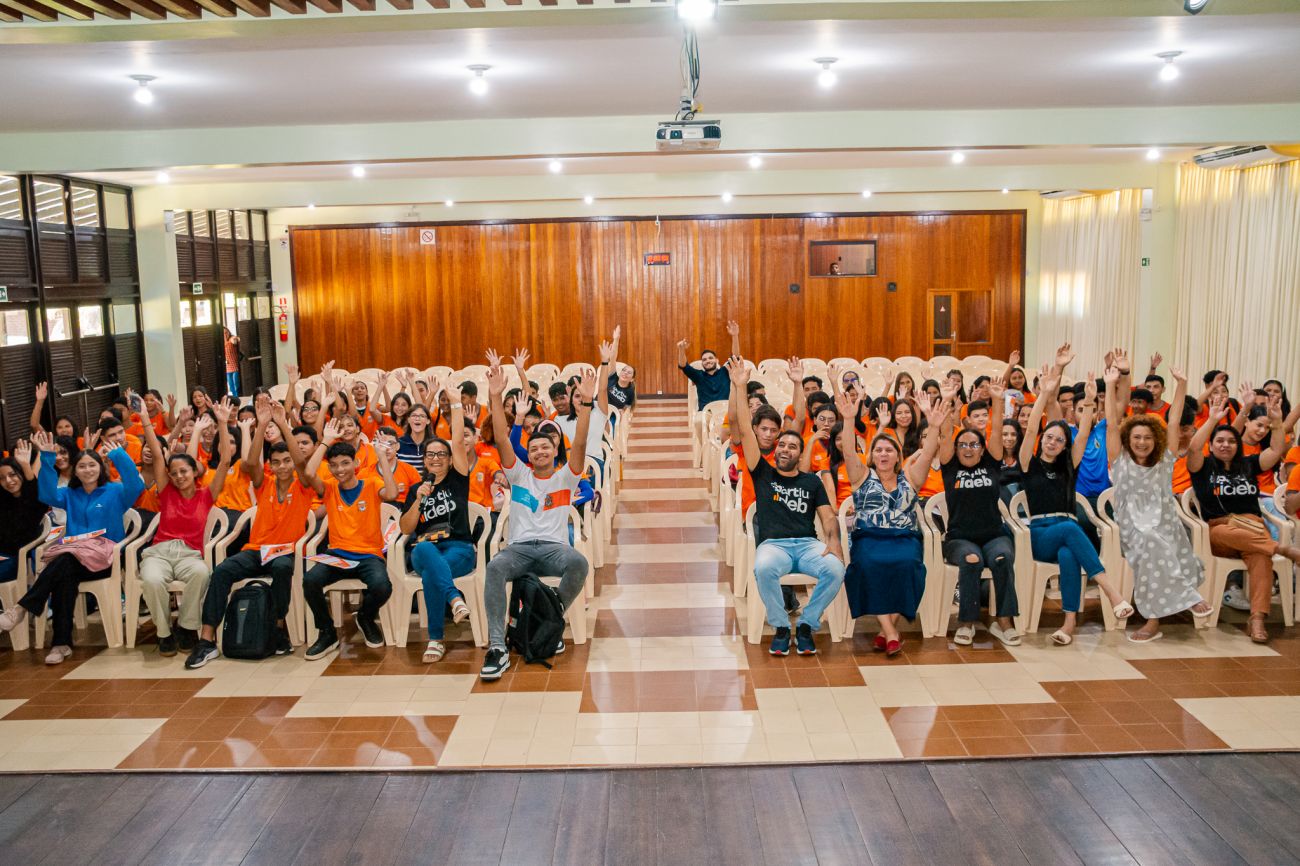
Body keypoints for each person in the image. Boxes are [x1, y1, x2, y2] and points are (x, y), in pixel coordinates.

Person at [479, 356, 597, 681]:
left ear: (555, 451)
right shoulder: (519, 475)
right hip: (518, 549)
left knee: (578, 563)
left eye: (546, 447)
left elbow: (581, 442)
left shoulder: (565, 477)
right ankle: (497, 647)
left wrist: (586, 403)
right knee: (494, 568)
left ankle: (549, 617)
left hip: (552, 549)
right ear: (528, 455)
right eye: (534, 449)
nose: (540, 451)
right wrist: (494, 396)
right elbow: (501, 439)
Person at [185, 402, 316, 668]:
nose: (282, 466)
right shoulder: (263, 483)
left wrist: (282, 424)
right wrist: (261, 425)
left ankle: (277, 628)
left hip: (284, 552)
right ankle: (206, 640)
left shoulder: (303, 486)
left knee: (282, 568)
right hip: (256, 550)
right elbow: (251, 462)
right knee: (221, 571)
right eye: (276, 462)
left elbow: (302, 463)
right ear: (271, 465)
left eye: (286, 461)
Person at [729, 358, 845, 655]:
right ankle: (781, 626)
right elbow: (745, 429)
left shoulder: (811, 482)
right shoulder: (762, 472)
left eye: (792, 446)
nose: (784, 449)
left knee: (835, 569)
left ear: (800, 453)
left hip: (807, 545)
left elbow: (827, 517)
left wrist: (833, 541)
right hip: (774, 545)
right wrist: (740, 387)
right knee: (763, 568)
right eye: (782, 445)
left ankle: (806, 624)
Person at [0, 431, 144, 664]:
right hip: (74, 558)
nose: (87, 470)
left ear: (100, 468)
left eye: (92, 465)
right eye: (82, 466)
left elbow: (136, 485)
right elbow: (46, 494)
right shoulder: (69, 494)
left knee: (63, 563)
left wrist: (118, 455)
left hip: (105, 559)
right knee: (64, 574)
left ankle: (21, 610)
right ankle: (60, 644)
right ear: (74, 471)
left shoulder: (116, 491)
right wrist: (47, 458)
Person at [1102, 351, 1210, 643]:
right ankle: (1158, 616)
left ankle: (1174, 603)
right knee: (1151, 542)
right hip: (1132, 525)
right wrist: (1110, 385)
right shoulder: (1120, 460)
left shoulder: (1165, 460)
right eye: (1137, 437)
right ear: (1128, 439)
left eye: (1148, 437)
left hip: (1165, 521)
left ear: (1156, 441)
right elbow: (1111, 423)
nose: (1142, 442)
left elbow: (1173, 422)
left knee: (1164, 539)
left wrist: (1182, 385)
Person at [1018, 369, 1132, 645]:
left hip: (1066, 531)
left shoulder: (1069, 466)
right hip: (1041, 533)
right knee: (1071, 528)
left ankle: (1068, 625)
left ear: (1064, 446)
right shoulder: (1029, 464)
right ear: (1042, 439)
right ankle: (1112, 593)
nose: (1053, 442)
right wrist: (1045, 393)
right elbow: (1031, 428)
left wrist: (1090, 400)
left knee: (1069, 554)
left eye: (1059, 440)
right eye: (1049, 437)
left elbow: (1082, 435)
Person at [839, 389, 947, 657]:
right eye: (878, 450)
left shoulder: (911, 478)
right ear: (872, 455)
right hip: (868, 538)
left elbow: (928, 452)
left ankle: (886, 632)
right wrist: (849, 420)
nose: (884, 454)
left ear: (898, 456)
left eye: (889, 450)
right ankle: (891, 633)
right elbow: (849, 452)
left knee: (909, 565)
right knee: (867, 566)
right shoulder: (861, 477)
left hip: (904, 538)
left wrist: (934, 426)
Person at [1186, 392, 1300, 643]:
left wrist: (1277, 422)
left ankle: (1257, 618)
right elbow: (1193, 447)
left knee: (1261, 557)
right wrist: (1212, 420)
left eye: (1231, 441)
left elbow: (1276, 449)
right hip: (1221, 530)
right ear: (1211, 445)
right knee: (1229, 533)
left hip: (1253, 528)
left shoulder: (1248, 464)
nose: (1225, 445)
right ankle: (1283, 549)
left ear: (1238, 446)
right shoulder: (1203, 467)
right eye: (1219, 441)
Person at [136, 398, 232, 656]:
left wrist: (223, 424)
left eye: (184, 472)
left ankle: (187, 627)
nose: (179, 477)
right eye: (174, 473)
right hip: (160, 552)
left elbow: (225, 461)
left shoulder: (207, 494)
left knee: (201, 574)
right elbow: (157, 454)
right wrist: (145, 418)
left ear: (194, 472)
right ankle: (164, 632)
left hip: (190, 554)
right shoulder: (167, 492)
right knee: (151, 580)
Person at [300, 418, 400, 659]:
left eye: (345, 463)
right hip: (337, 554)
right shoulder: (329, 488)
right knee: (310, 581)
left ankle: (365, 616)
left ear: (356, 463)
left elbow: (392, 493)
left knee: (382, 586)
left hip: (368, 555)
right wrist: (325, 441)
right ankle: (327, 632)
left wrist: (381, 457)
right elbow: (309, 472)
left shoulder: (371, 484)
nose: (340, 469)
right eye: (334, 465)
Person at [937, 376, 1020, 647]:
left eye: (974, 445)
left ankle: (1004, 622)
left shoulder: (991, 463)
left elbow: (996, 433)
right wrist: (947, 400)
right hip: (960, 537)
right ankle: (966, 622)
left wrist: (997, 399)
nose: (968, 449)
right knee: (972, 560)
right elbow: (945, 435)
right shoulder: (951, 467)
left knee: (1002, 559)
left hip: (994, 534)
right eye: (963, 445)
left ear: (982, 449)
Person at [398, 385, 476, 664]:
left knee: (431, 573)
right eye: (430, 454)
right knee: (421, 549)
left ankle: (436, 639)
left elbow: (458, 441)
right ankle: (455, 598)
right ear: (424, 460)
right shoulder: (416, 489)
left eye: (441, 454)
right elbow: (406, 529)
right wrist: (419, 500)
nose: (435, 458)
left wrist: (455, 405)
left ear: (450, 459)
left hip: (459, 548)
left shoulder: (458, 480)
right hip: (426, 548)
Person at [0, 441, 48, 587]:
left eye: (12, 475)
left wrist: (26, 465)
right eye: (2, 478)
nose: (8, 481)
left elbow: (33, 489)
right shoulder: (4, 500)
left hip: (16, 558)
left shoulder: (34, 500)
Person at [676, 319, 740, 411]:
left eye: (710, 358)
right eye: (704, 359)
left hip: (725, 411)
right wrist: (681, 349)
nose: (708, 361)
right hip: (706, 413)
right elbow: (683, 365)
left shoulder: (725, 371)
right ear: (702, 363)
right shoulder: (698, 376)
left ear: (717, 360)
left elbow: (735, 357)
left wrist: (735, 336)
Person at [222, 327, 241, 398]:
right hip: (227, 367)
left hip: (235, 366)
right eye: (224, 333)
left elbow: (235, 340)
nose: (225, 334)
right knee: (231, 385)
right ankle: (235, 398)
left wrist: (235, 339)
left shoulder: (231, 339)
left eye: (226, 332)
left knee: (236, 384)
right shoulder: (222, 343)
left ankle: (238, 397)